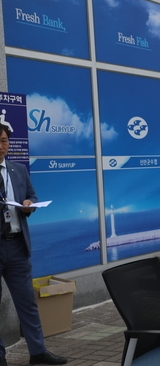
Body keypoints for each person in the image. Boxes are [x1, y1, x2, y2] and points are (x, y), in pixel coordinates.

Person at [0, 124, 68, 366]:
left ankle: (38, 352)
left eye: (4, 141)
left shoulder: (18, 170)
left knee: (27, 302)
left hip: (17, 245)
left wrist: (29, 203)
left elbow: (32, 195)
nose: (1, 146)